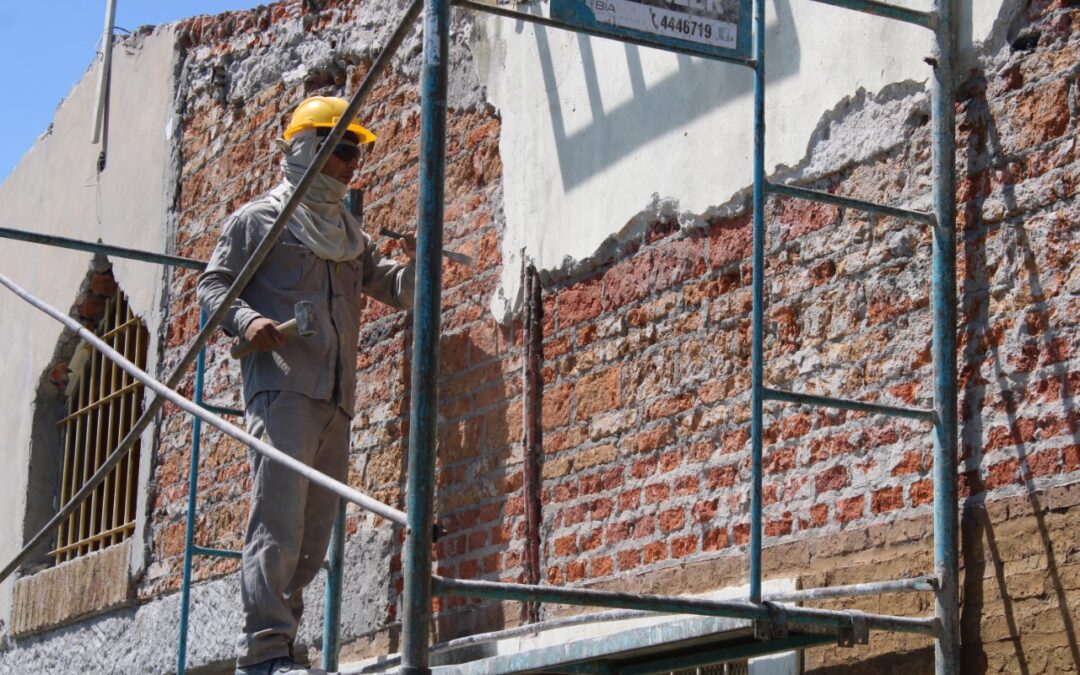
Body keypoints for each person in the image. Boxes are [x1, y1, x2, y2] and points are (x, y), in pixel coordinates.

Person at [197, 96, 416, 675]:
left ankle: (283, 647)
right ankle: (263, 651)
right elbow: (213, 288)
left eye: (356, 153)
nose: (352, 165)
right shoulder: (257, 220)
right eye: (343, 150)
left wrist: (422, 268)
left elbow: (390, 286)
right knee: (279, 521)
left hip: (335, 398)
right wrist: (248, 321)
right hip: (285, 388)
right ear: (306, 148)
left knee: (313, 532)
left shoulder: (345, 230)